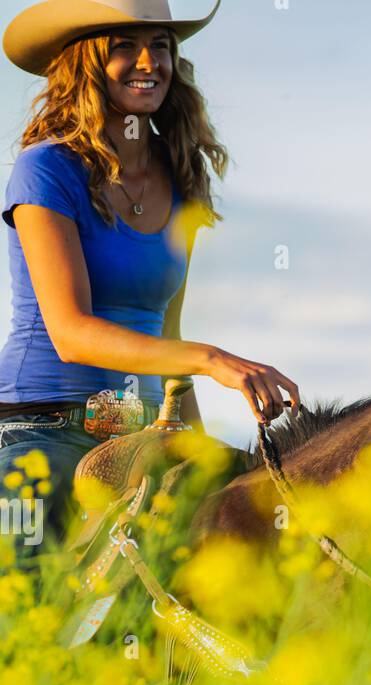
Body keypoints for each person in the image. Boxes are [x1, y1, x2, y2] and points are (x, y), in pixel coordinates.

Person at [0, 0, 299, 553]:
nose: (148, 61)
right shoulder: (46, 168)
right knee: (23, 580)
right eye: (124, 46)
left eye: (160, 45)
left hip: (143, 428)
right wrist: (213, 360)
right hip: (43, 426)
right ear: (87, 63)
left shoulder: (181, 174)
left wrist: (205, 449)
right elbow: (70, 332)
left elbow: (167, 339)